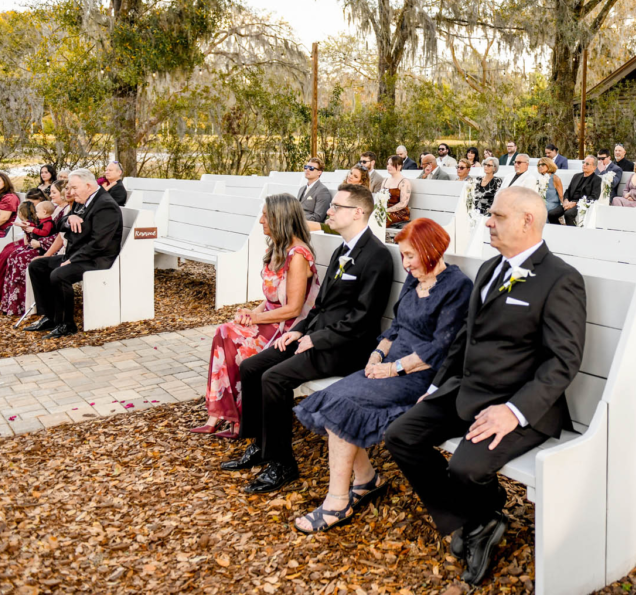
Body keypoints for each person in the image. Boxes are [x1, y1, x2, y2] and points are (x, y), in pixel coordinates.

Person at [384, 188, 587, 586]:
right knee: (400, 435)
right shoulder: (490, 268)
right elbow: (465, 337)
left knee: (465, 467)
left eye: (497, 216)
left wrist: (512, 412)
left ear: (527, 220)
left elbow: (562, 361)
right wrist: (436, 386)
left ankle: (479, 519)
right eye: (489, 215)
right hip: (466, 389)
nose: (488, 222)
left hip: (519, 404)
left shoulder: (560, 280)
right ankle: (480, 520)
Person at [293, 219, 472, 532]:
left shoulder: (457, 286)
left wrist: (393, 368)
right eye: (402, 255)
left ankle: (337, 501)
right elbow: (397, 327)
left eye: (411, 255)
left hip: (419, 376)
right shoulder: (414, 279)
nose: (406, 263)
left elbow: (441, 348)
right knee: (333, 397)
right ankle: (365, 479)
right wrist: (377, 354)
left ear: (432, 250)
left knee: (344, 405)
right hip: (388, 365)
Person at [222, 184, 395, 494]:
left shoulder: (377, 256)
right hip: (317, 337)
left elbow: (363, 318)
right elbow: (319, 306)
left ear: (358, 212)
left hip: (347, 347)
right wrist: (298, 331)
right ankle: (261, 445)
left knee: (274, 379)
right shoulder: (344, 250)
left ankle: (283, 463)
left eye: (336, 207)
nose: (328, 210)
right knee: (252, 367)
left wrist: (318, 339)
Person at [194, 193, 321, 438]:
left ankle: (234, 416)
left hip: (287, 328)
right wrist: (252, 312)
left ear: (280, 218)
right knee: (226, 331)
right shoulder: (278, 248)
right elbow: (272, 299)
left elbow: (294, 309)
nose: (261, 220)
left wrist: (253, 320)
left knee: (229, 335)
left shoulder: (297, 255)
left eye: (266, 215)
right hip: (271, 321)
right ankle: (223, 414)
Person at [25, 169, 124, 339]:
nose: (70, 192)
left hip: (97, 259)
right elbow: (60, 224)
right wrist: (69, 219)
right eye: (69, 187)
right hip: (79, 255)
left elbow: (99, 244)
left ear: (88, 185)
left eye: (74, 187)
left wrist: (72, 260)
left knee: (59, 275)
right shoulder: (81, 199)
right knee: (37, 266)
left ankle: (67, 324)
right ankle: (51, 317)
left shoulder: (106, 205)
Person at [0, 184, 68, 316]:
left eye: (54, 192)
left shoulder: (66, 210)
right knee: (14, 254)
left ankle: (25, 303)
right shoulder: (57, 209)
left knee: (21, 258)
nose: (51, 194)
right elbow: (42, 227)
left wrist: (40, 243)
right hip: (44, 244)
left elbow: (57, 234)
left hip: (53, 249)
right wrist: (28, 227)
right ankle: (11, 303)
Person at [0, 199, 53, 302]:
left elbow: (42, 233)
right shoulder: (40, 220)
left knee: (11, 254)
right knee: (6, 251)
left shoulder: (48, 222)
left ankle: (0, 293)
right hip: (31, 243)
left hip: (39, 246)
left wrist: (31, 230)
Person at [560, 157, 602, 225]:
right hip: (569, 202)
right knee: (552, 213)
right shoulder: (576, 176)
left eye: (587, 164)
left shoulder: (596, 179)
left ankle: (572, 234)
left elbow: (594, 197)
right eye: (583, 162)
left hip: (581, 204)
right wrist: (566, 200)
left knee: (568, 214)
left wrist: (575, 203)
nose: (584, 165)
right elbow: (568, 190)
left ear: (594, 167)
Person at [298, 158, 333, 222]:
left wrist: (296, 217)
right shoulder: (302, 189)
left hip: (309, 226)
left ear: (319, 172)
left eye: (311, 168)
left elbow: (318, 217)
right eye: (306, 167)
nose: (307, 170)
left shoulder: (322, 191)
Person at [384, 155, 413, 226]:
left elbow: (403, 203)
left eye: (392, 164)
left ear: (399, 166)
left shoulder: (404, 182)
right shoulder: (385, 180)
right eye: (388, 164)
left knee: (381, 219)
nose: (388, 166)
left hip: (399, 213)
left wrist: (387, 210)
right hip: (385, 211)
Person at [536, 157, 565, 222]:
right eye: (539, 165)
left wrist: (564, 207)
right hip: (541, 202)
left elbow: (561, 195)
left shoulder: (555, 178)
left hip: (552, 204)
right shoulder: (539, 178)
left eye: (543, 165)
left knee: (542, 210)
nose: (540, 166)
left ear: (549, 165)